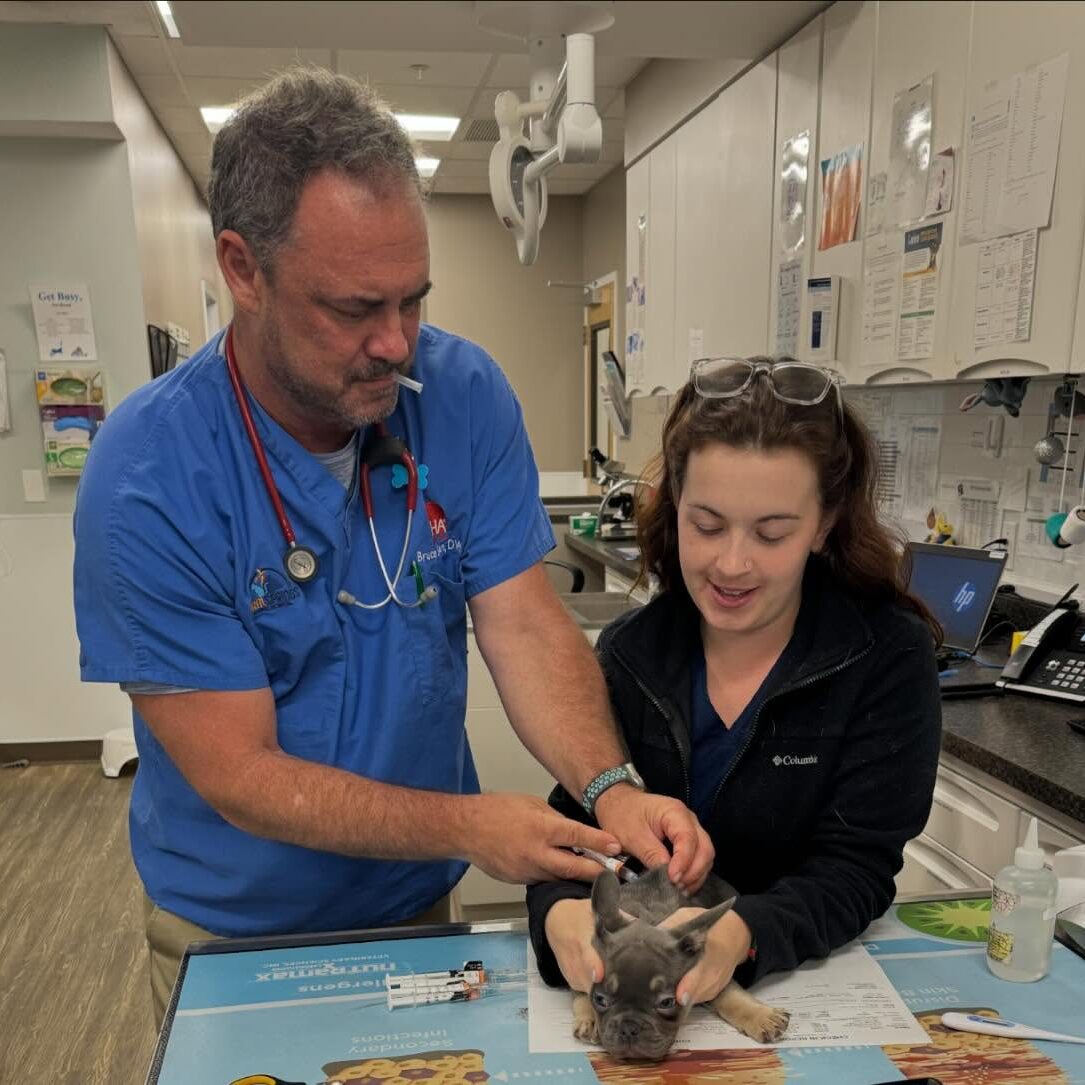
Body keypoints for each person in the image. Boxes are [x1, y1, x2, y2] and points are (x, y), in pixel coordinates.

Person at [72, 68, 712, 1026]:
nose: (396, 343)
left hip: (415, 907)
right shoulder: (146, 477)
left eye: (412, 300)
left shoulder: (463, 395)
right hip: (233, 932)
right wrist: (467, 823)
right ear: (242, 270)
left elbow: (525, 627)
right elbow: (238, 772)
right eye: (353, 308)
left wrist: (608, 786)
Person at [528, 356, 942, 1008]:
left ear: (823, 523)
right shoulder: (633, 653)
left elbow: (856, 869)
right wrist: (560, 918)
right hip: (646, 990)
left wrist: (737, 935)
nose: (731, 563)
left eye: (771, 532)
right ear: (674, 507)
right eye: (707, 524)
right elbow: (576, 837)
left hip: (808, 985)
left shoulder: (883, 655)